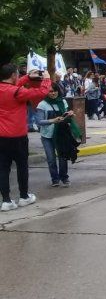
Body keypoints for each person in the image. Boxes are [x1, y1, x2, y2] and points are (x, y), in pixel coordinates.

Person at [0, 65, 50, 211]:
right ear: (13, 76)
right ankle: (23, 197)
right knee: (22, 167)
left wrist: (27, 77)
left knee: (3, 169)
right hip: (18, 137)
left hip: (2, 137)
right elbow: (41, 92)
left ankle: (6, 201)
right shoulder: (18, 92)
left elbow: (12, 87)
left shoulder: (10, 89)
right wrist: (46, 79)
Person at [36, 84, 79, 188]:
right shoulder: (42, 104)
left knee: (63, 157)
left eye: (55, 91)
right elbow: (39, 121)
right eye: (50, 91)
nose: (53, 93)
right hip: (47, 136)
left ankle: (64, 177)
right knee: (51, 158)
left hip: (61, 134)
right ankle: (55, 179)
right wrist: (53, 120)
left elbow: (66, 116)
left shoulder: (62, 101)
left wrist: (70, 114)